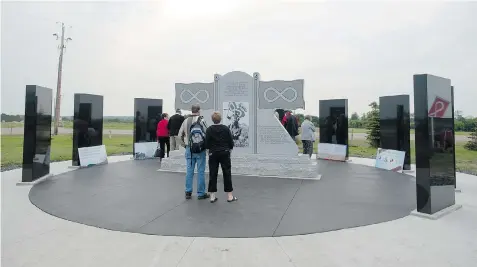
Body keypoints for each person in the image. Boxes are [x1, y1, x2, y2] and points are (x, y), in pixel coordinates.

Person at [178, 104, 209, 200]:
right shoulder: (202, 120)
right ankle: (201, 193)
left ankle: (188, 191)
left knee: (189, 170)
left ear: (191, 111)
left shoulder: (185, 120)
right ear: (199, 110)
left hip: (189, 149)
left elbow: (179, 136)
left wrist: (185, 145)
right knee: (200, 171)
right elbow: (207, 132)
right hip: (200, 149)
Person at [205, 111, 237, 203]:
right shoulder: (226, 128)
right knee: (227, 173)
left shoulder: (209, 129)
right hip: (224, 152)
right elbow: (231, 142)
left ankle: (212, 196)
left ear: (212, 119)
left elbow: (207, 144)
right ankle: (230, 196)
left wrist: (209, 152)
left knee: (213, 173)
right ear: (220, 119)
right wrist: (229, 150)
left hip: (213, 153)